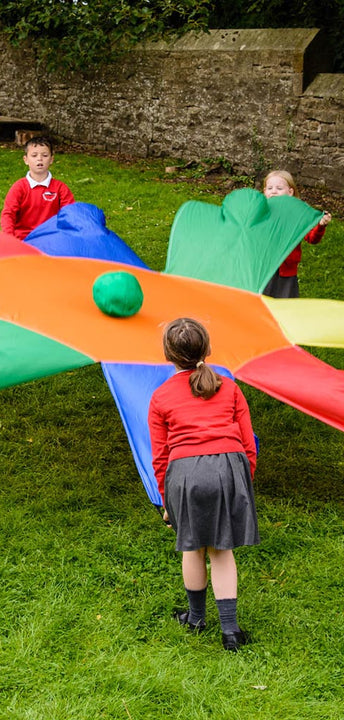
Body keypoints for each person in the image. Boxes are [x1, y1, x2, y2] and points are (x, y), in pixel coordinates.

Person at [148, 318, 259, 652]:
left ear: (167, 355)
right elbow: (247, 444)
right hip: (229, 468)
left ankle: (196, 619)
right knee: (222, 551)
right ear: (208, 348)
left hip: (185, 475)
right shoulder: (230, 387)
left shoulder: (160, 397)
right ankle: (231, 633)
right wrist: (242, 482)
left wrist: (167, 502)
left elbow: (160, 457)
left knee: (193, 546)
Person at [262, 169, 332, 298]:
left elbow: (312, 238)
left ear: (290, 192)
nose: (274, 191)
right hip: (262, 269)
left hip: (286, 272)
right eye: (269, 188)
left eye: (279, 188)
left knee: (285, 306)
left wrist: (320, 226)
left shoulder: (297, 216)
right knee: (261, 304)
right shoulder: (260, 212)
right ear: (265, 192)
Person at [0, 136, 75, 240]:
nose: (39, 159)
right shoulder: (19, 187)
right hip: (23, 240)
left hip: (52, 239)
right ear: (25, 160)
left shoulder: (60, 188)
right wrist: (10, 238)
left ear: (51, 159)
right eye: (34, 155)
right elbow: (8, 215)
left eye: (44, 155)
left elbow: (71, 214)